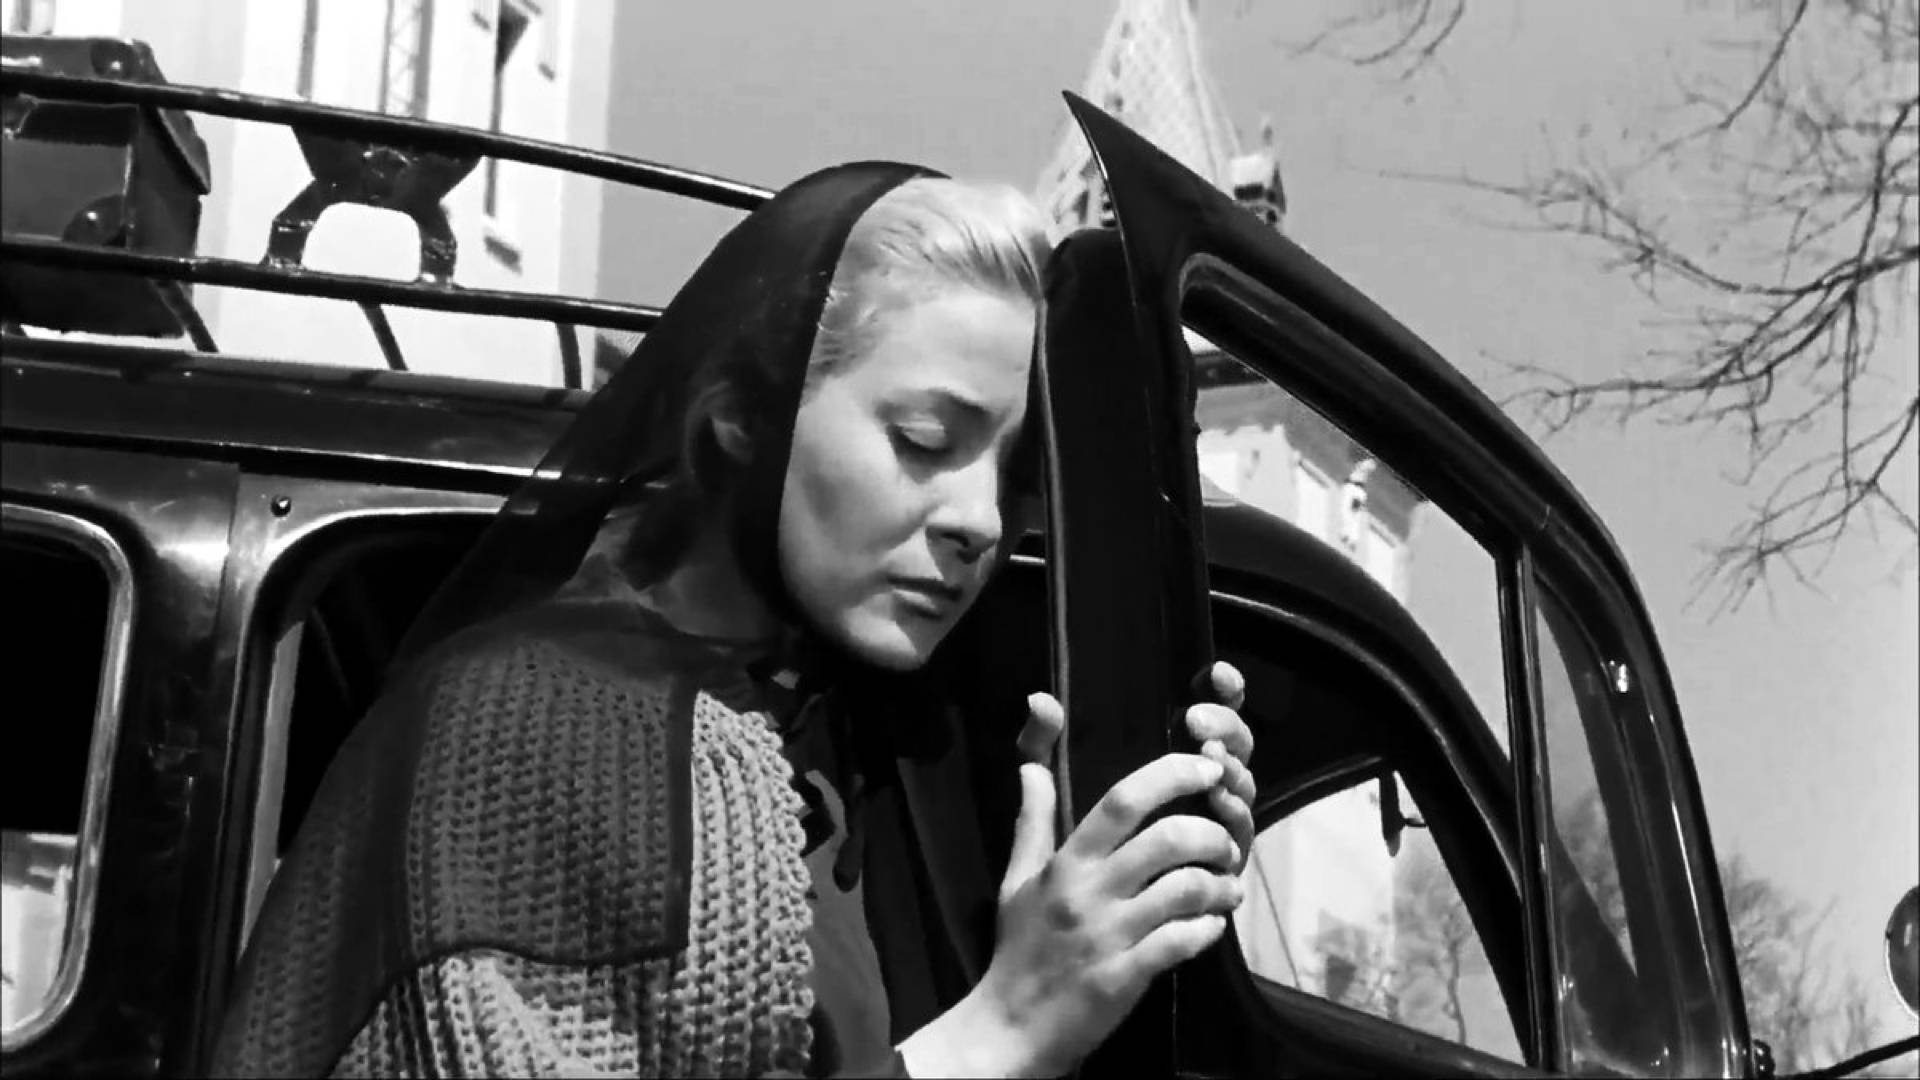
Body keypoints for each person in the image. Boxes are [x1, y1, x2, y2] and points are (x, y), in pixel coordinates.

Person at [210, 163, 1258, 1079]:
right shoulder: (527, 733)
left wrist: (1134, 877)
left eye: (1015, 477)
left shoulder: (867, 732)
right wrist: (1004, 1030)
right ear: (742, 418)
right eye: (925, 439)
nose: (981, 522)